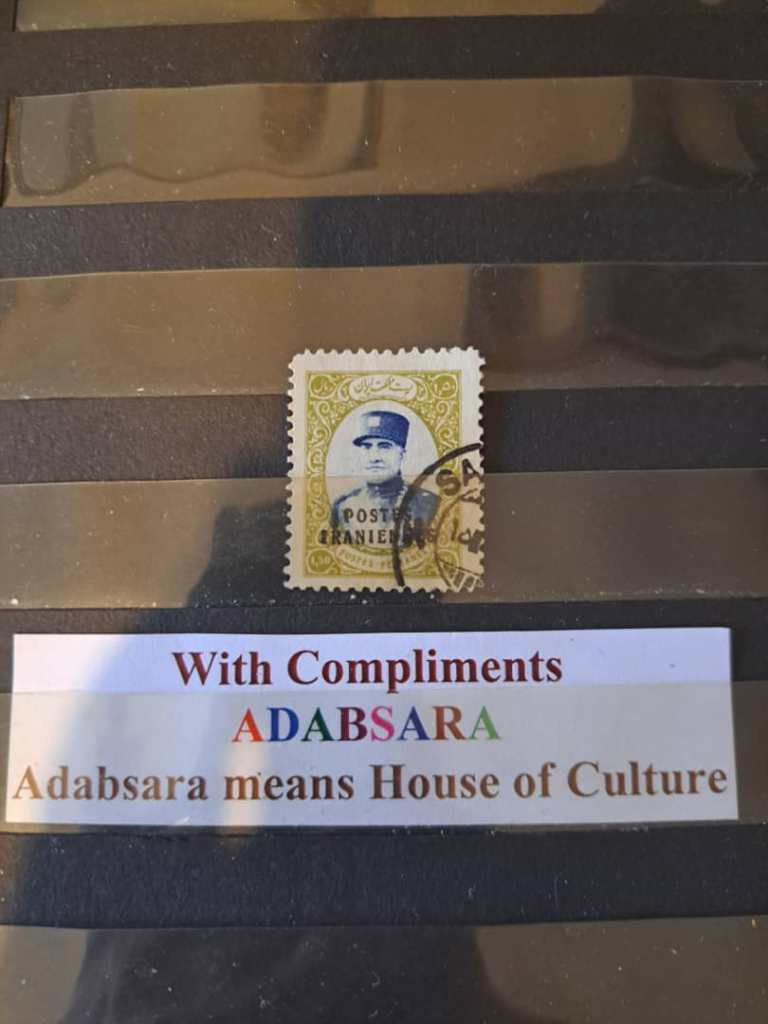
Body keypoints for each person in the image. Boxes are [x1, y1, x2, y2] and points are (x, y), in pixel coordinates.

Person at [330, 410, 438, 541]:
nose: (374, 458)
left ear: (402, 454)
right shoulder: (342, 506)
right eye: (367, 447)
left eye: (384, 447)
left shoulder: (428, 503)